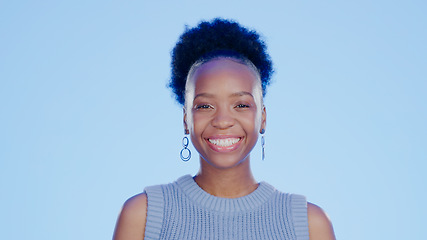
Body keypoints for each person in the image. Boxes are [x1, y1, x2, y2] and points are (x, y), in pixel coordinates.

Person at [113, 18, 335, 240]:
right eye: (205, 106)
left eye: (241, 105)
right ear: (186, 120)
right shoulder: (144, 216)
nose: (222, 120)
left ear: (263, 118)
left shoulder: (308, 225)